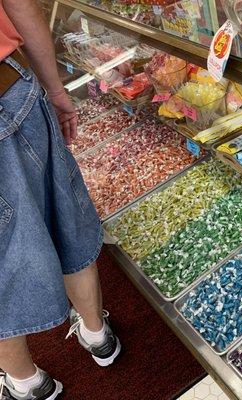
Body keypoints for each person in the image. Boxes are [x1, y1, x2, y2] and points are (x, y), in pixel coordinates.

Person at [0, 1, 121, 399]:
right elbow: (21, 6)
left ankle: (28, 383)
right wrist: (55, 90)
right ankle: (97, 333)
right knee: (65, 214)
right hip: (11, 84)